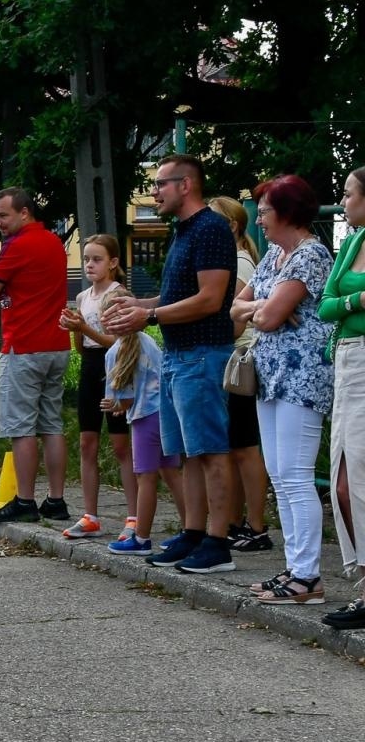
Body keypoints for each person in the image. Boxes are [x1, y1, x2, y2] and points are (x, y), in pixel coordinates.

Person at [106, 154, 240, 575]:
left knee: (212, 450)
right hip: (178, 355)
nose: (154, 191)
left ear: (186, 185)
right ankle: (194, 532)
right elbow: (176, 298)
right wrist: (139, 304)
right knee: (190, 454)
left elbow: (210, 299)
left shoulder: (212, 229)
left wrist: (147, 316)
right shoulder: (182, 231)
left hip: (202, 354)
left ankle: (219, 542)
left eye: (161, 183)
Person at [232, 175, 333, 604]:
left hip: (302, 380)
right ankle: (295, 569)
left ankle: (307, 575)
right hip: (269, 378)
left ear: (288, 212)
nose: (261, 218)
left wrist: (266, 310)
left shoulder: (311, 254)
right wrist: (264, 307)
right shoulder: (275, 254)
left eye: (267, 210)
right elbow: (237, 309)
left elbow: (269, 319)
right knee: (280, 475)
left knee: (294, 476)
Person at [0, 187, 72, 525]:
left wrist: (4, 286)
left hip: (24, 345)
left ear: (24, 213)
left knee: (21, 428)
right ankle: (57, 500)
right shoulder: (52, 241)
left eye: (3, 215)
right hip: (57, 343)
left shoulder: (18, 246)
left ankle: (25, 500)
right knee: (51, 424)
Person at [59, 234, 138, 541]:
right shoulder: (82, 297)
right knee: (86, 442)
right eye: (87, 259)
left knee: (121, 445)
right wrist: (74, 328)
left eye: (97, 259)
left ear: (113, 263)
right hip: (91, 368)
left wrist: (84, 328)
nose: (90, 265)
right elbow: (84, 347)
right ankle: (90, 515)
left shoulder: (119, 295)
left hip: (116, 370)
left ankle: (133, 516)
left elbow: (119, 342)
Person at [208, 194, 272, 553]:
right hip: (232, 357)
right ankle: (234, 521)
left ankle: (256, 525)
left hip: (240, 360)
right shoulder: (231, 258)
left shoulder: (239, 261)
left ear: (231, 226)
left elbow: (235, 318)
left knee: (245, 446)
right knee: (233, 446)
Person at [318, 166, 365, 628]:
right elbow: (327, 303)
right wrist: (357, 302)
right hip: (346, 360)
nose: (344, 202)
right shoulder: (352, 242)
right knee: (342, 483)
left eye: (349, 194)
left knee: (359, 482)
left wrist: (348, 308)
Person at [102, 327, 184, 556]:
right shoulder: (148, 340)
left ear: (106, 323)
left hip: (144, 417)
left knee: (145, 477)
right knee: (171, 472)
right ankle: (191, 531)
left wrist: (115, 406)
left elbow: (124, 399)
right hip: (166, 413)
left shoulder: (114, 352)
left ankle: (141, 538)